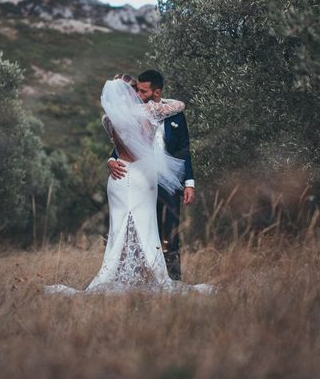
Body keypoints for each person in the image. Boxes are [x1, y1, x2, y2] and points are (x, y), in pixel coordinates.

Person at [44, 76, 213, 295]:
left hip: (119, 178)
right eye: (135, 91)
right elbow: (179, 105)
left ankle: (117, 273)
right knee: (148, 227)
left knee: (120, 228)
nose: (139, 95)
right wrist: (156, 102)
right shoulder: (149, 113)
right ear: (130, 93)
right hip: (143, 176)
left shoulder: (109, 118)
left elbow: (118, 147)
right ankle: (154, 276)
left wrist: (112, 160)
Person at [108, 70, 193, 280]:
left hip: (169, 181)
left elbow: (184, 150)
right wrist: (111, 160)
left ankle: (172, 278)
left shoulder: (174, 115)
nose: (139, 94)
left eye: (144, 91)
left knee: (171, 231)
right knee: (143, 229)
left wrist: (189, 182)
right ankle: (145, 277)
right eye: (137, 90)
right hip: (140, 179)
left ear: (157, 91)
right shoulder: (134, 112)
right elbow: (122, 146)